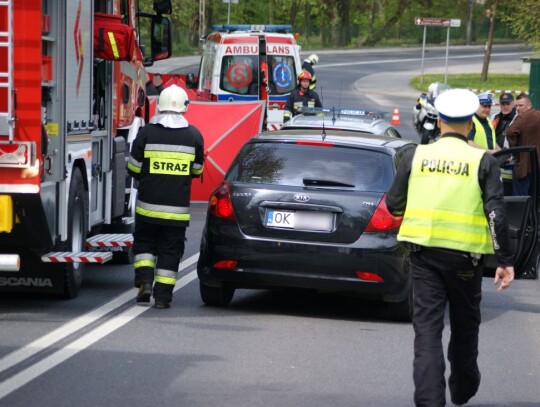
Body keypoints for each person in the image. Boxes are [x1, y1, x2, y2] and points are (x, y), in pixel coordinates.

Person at [386, 88, 514, 407]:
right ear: (469, 124)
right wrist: (505, 260)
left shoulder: (415, 156)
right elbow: (496, 212)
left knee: (427, 331)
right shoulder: (482, 161)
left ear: (439, 121)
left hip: (424, 257)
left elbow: (393, 204)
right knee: (465, 325)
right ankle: (464, 385)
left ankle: (429, 401)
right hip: (466, 261)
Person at [127, 85, 204, 309]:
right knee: (170, 251)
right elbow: (197, 170)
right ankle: (162, 297)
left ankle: (144, 282)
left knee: (145, 245)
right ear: (183, 108)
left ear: (159, 107)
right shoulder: (194, 135)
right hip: (176, 212)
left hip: (147, 208)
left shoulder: (147, 133)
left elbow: (133, 168)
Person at [505, 93, 540, 196]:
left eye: (521, 105)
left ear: (529, 105)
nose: (518, 109)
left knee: (520, 200)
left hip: (524, 166)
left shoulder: (522, 117)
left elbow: (510, 132)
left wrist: (515, 150)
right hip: (537, 166)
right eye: (516, 106)